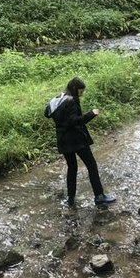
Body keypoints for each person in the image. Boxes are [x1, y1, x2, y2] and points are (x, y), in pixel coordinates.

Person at [44, 77, 115, 207]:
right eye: (81, 91)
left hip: (63, 141)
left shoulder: (57, 99)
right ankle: (99, 196)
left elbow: (46, 113)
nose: (81, 94)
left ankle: (70, 199)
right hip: (77, 140)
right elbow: (75, 121)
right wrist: (91, 114)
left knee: (72, 168)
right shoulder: (72, 101)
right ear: (75, 89)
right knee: (91, 165)